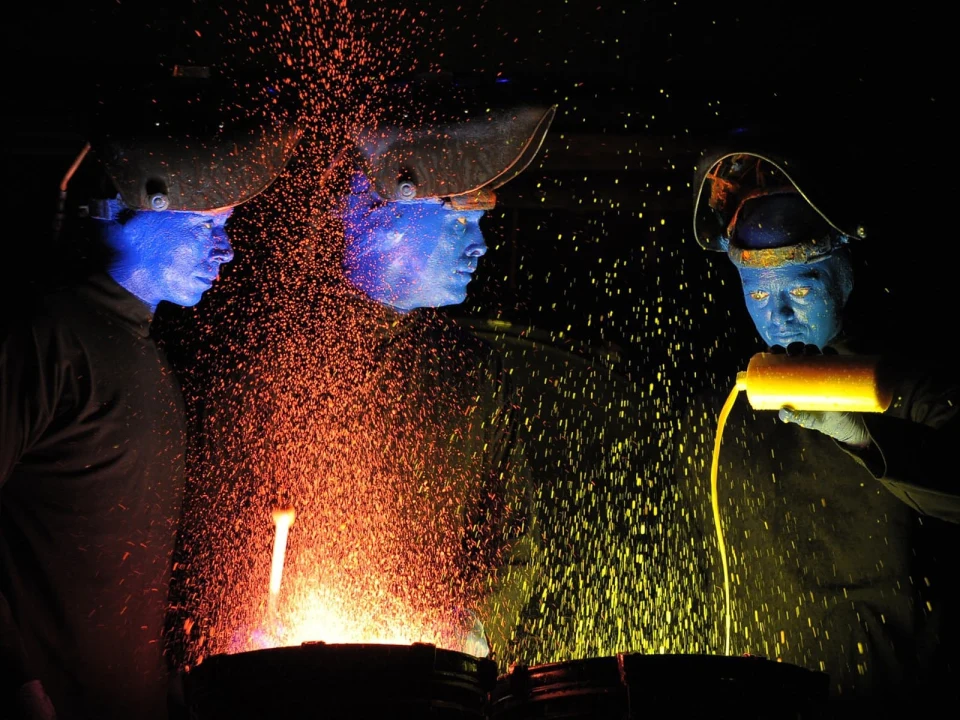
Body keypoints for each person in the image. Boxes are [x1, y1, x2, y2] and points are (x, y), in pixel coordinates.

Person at [178, 98, 556, 673]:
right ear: (375, 217)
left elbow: (514, 532)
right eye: (459, 221)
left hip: (426, 680)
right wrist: (234, 625)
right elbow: (202, 530)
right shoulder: (268, 356)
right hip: (288, 684)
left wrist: (473, 625)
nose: (479, 245)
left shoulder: (467, 375)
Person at [0, 78, 300, 720]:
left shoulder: (144, 353)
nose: (226, 249)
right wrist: (13, 683)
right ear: (129, 207)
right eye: (205, 224)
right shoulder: (43, 339)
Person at [675, 136, 959, 710]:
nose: (780, 316)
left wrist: (857, 432)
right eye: (760, 293)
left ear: (845, 278)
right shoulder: (727, 419)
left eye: (802, 289)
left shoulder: (914, 390)